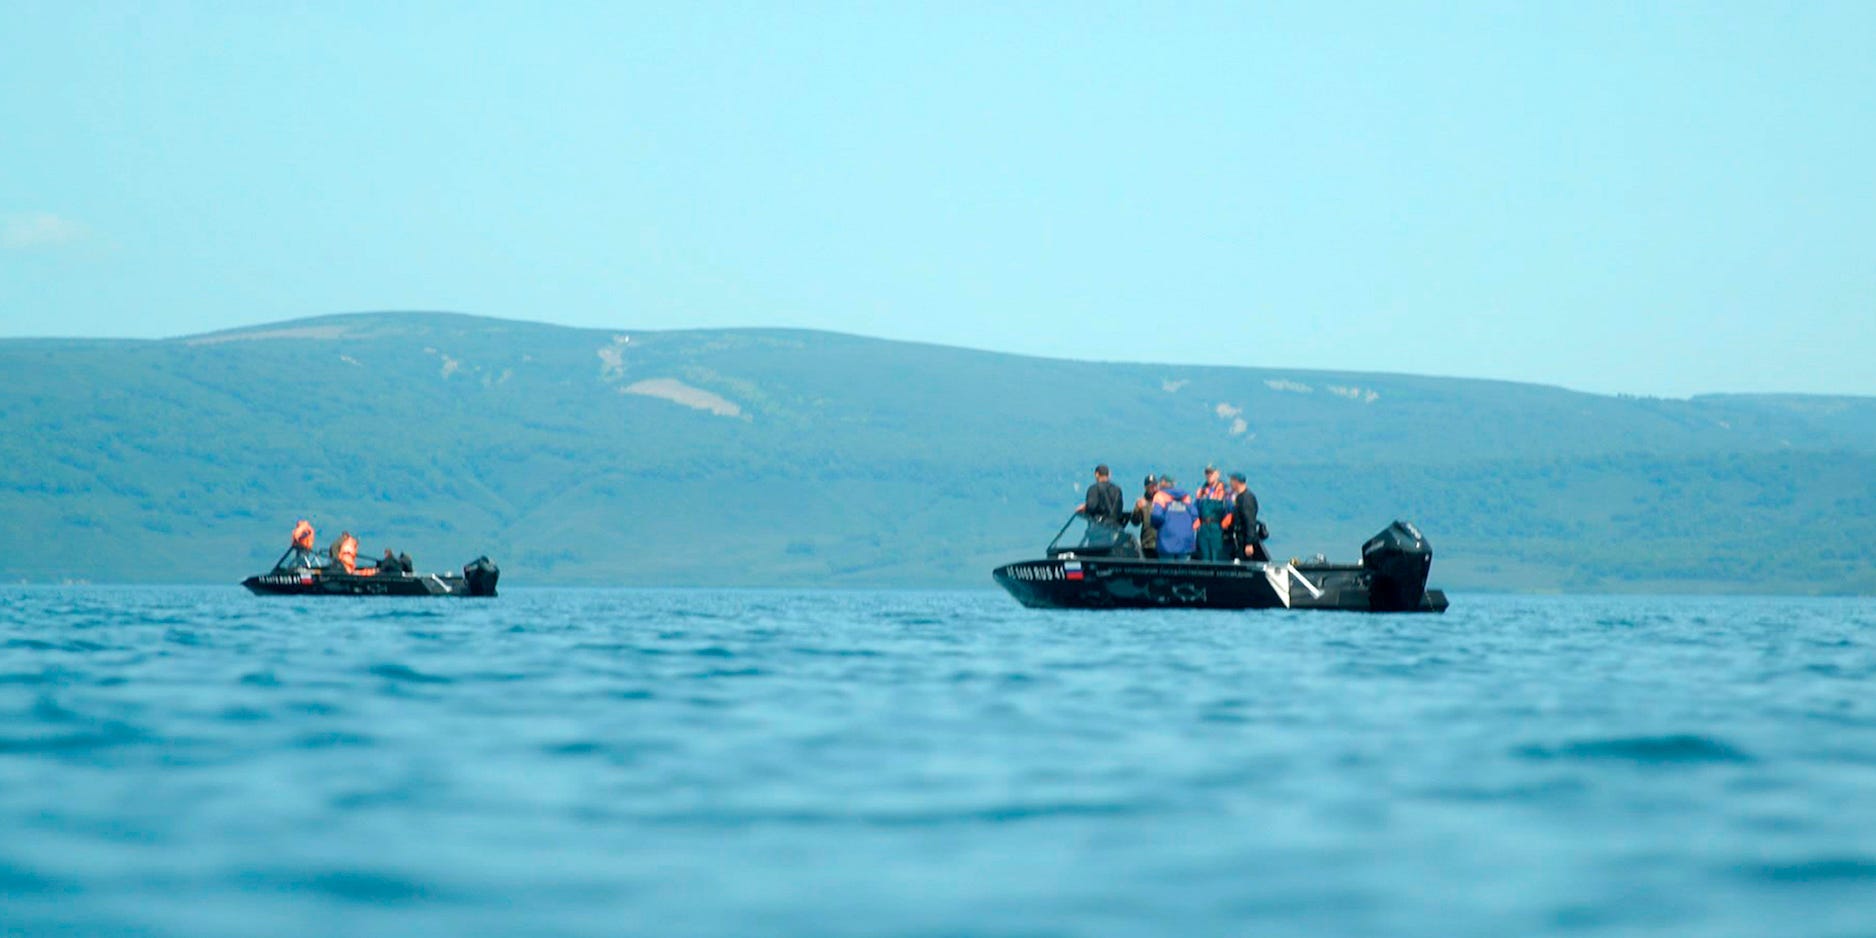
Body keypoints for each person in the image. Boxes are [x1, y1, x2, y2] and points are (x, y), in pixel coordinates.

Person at [1150, 474, 1198, 561]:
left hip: (1166, 540)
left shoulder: (1160, 496)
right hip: (1185, 541)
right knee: (1184, 572)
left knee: (1166, 571)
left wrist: (1156, 525)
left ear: (1162, 483)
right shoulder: (1185, 496)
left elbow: (1156, 515)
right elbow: (1195, 516)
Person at [1192, 464, 1231, 561]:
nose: (1209, 475)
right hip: (1203, 528)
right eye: (1207, 473)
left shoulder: (1225, 490)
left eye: (1211, 473)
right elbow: (1195, 508)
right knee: (1203, 556)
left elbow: (1231, 508)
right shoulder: (1201, 491)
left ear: (1217, 474)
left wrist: (1226, 522)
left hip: (1217, 528)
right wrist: (1195, 519)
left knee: (1217, 555)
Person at [1228, 471, 1269, 562]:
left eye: (1231, 481)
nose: (1230, 483)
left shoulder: (1247, 499)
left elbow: (1250, 522)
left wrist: (1249, 543)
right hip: (1239, 538)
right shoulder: (1239, 497)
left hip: (1245, 539)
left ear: (1236, 482)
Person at [1130, 474, 1160, 559]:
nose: (1153, 489)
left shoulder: (1162, 501)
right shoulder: (1141, 501)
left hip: (1161, 543)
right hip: (1147, 543)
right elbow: (1135, 522)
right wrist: (1137, 510)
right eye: (1150, 487)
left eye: (1154, 486)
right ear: (1145, 488)